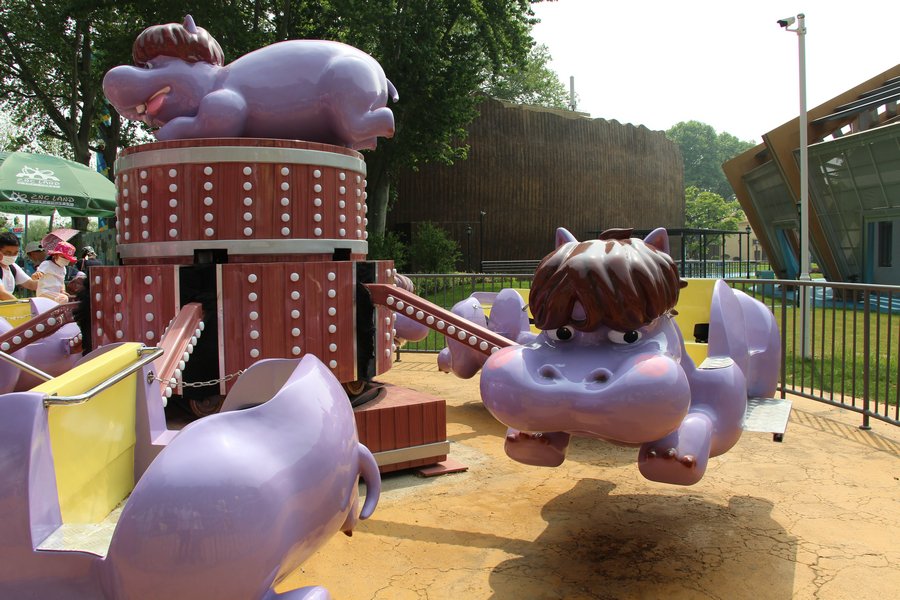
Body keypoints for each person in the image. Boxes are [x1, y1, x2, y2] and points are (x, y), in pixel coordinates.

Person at [0, 231, 41, 301]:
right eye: (8, 253)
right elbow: (2, 294)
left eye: (15, 253)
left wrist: (48, 282)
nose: (12, 256)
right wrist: (19, 304)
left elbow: (31, 284)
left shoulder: (12, 267)